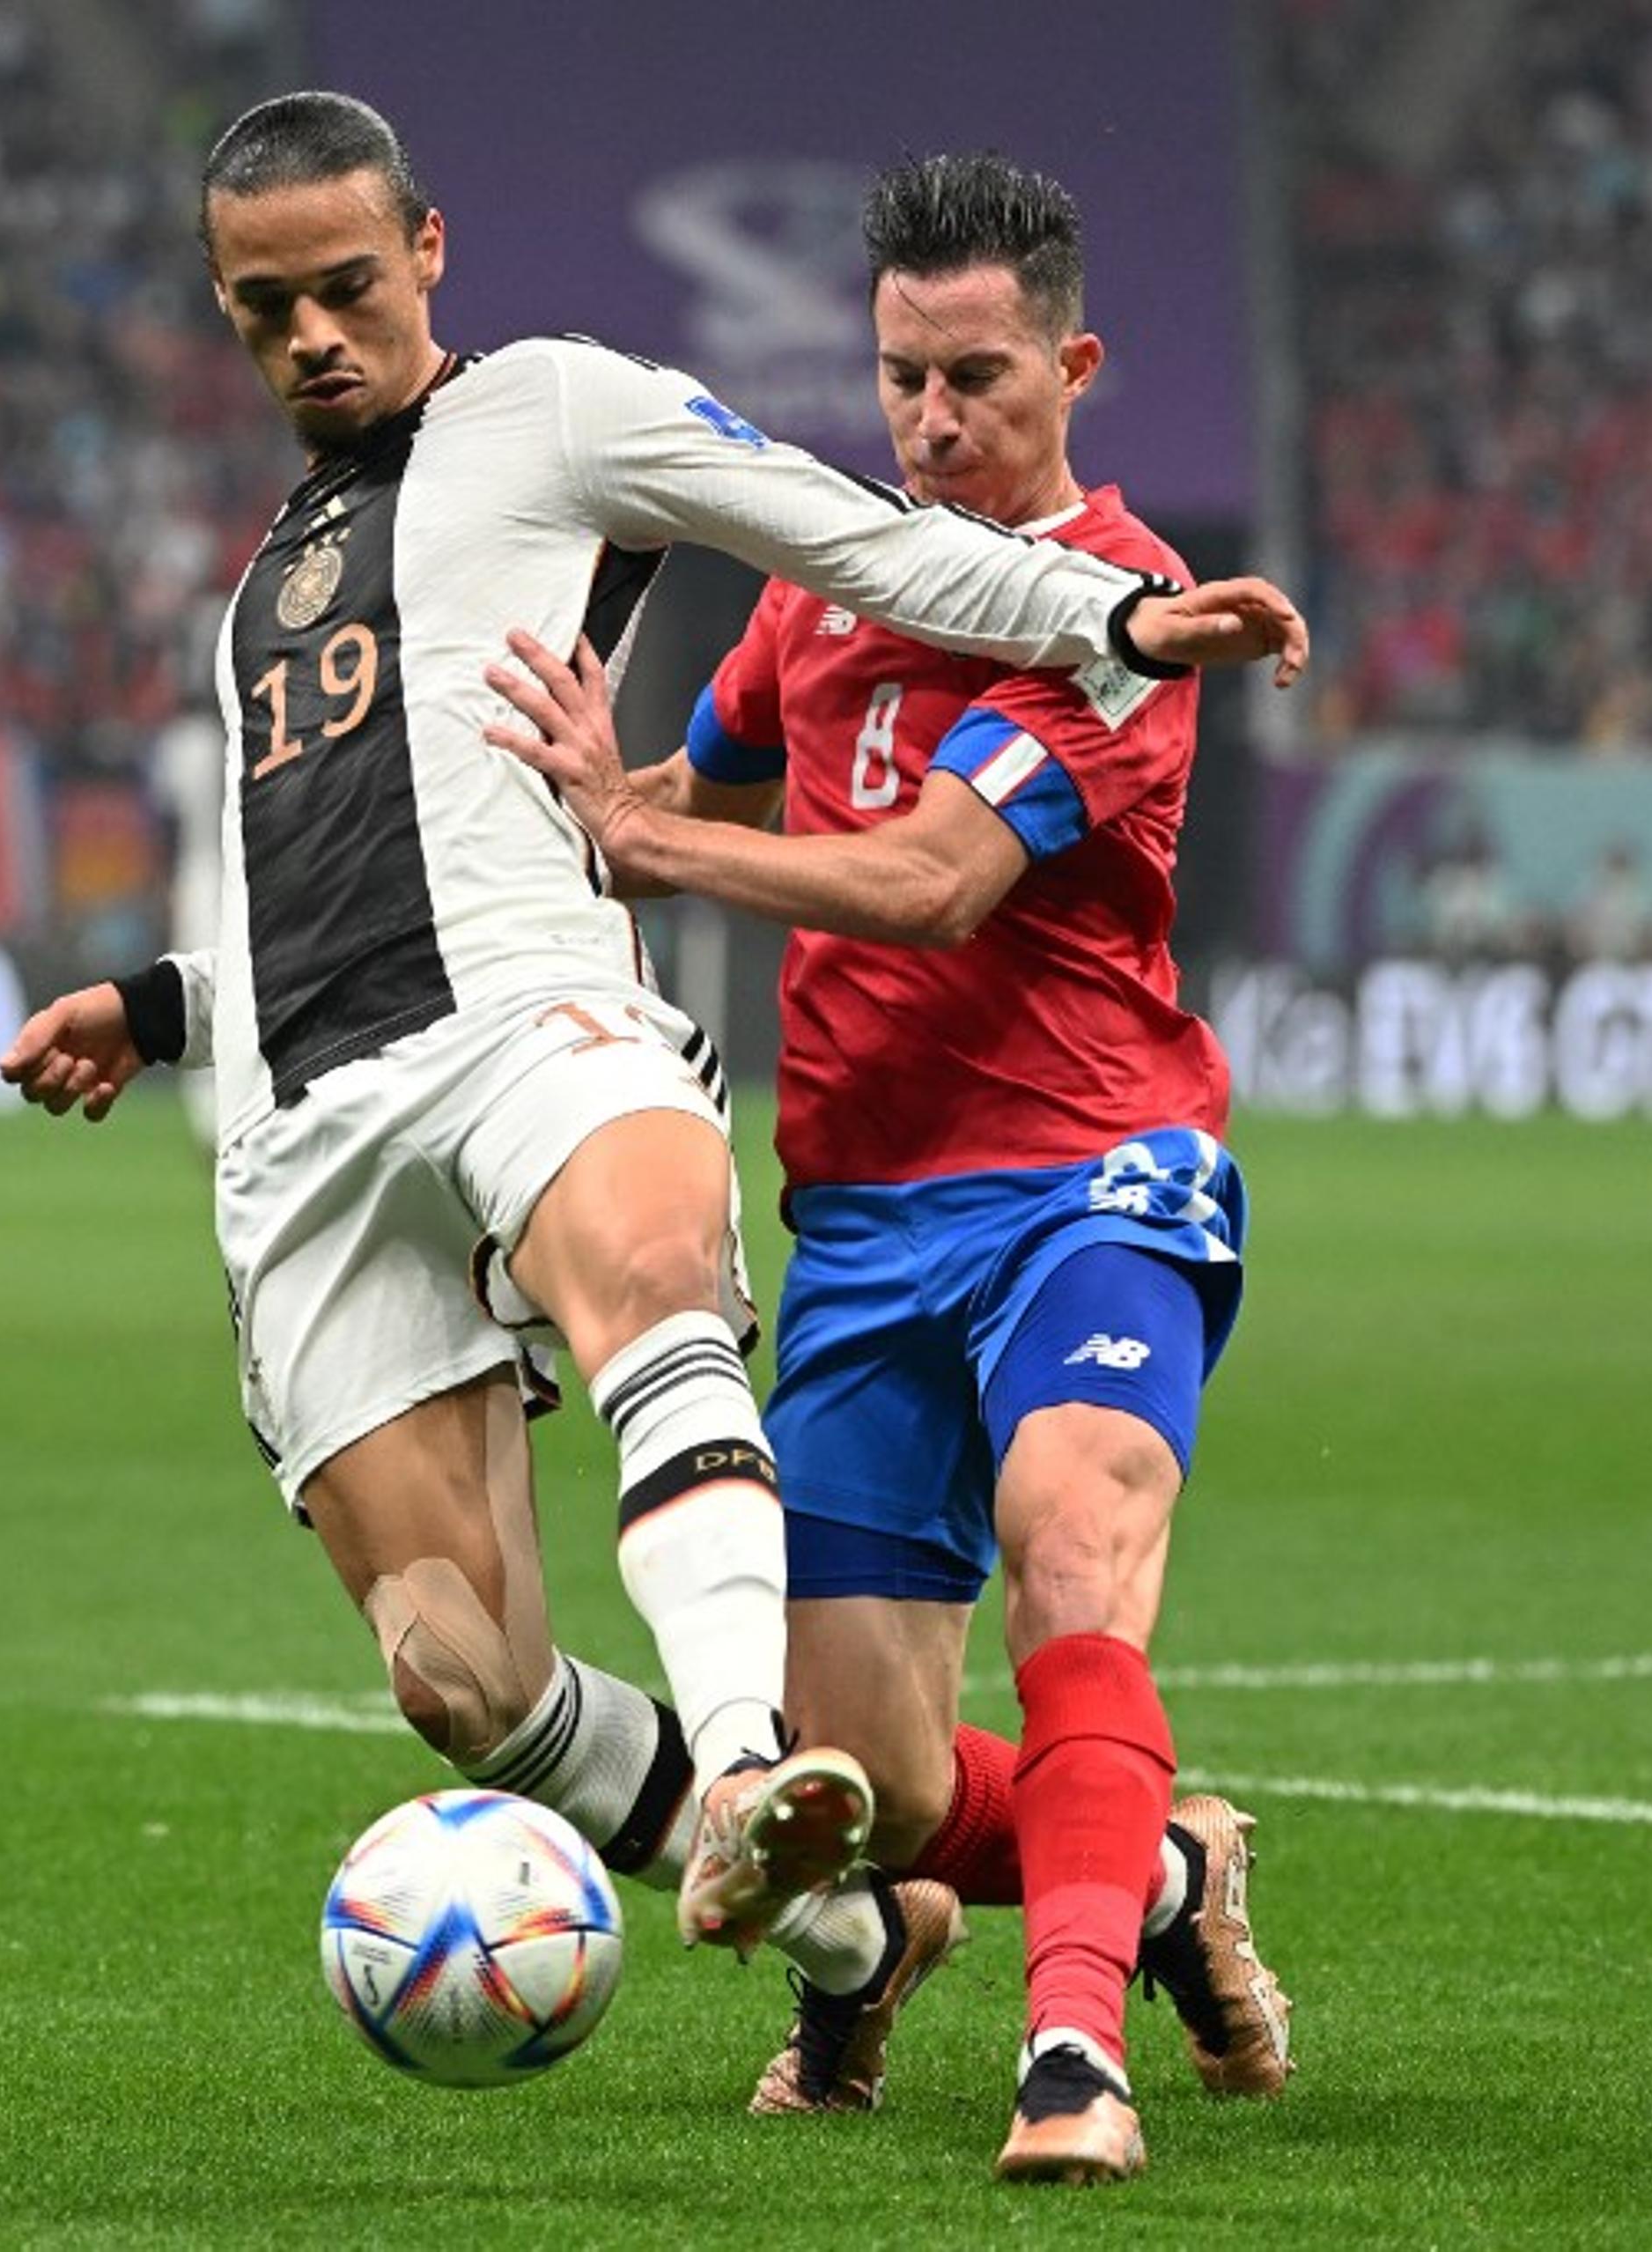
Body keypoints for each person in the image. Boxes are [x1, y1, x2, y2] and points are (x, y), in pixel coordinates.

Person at [0, 95, 1308, 1996]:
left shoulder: (549, 407)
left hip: (538, 1015)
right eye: (266, 310)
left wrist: (1110, 608)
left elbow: (874, 542)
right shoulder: (255, 600)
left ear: (429, 251)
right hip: (306, 1122)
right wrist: (157, 1005)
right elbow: (321, 890)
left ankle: (758, 1767)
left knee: (647, 1275)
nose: (313, 337)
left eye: (348, 287)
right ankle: (862, 1923)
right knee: (459, 1675)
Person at [484, 153, 1293, 2184]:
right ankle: (1165, 1871)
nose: (929, 423)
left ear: (1074, 366)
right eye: (899, 380)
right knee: (877, 1784)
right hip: (858, 1222)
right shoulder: (821, 580)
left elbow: (931, 883)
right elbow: (685, 788)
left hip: (1094, 1172)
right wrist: (566, 797)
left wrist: (654, 847)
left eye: (974, 380)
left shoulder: (1123, 618)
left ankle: (1070, 2055)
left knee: (1071, 1549)